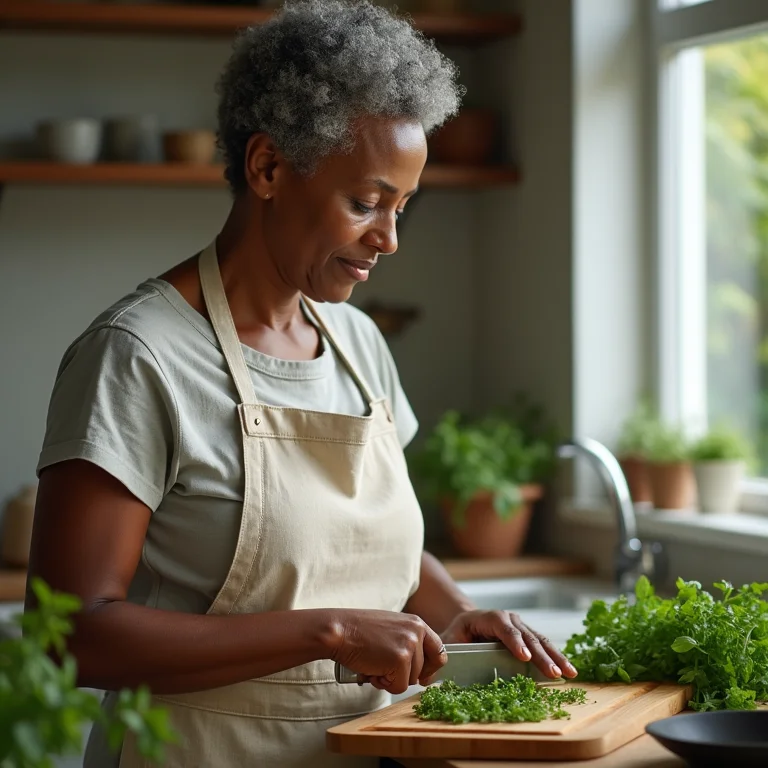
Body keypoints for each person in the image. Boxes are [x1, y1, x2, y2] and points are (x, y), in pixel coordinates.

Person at [27, 1, 577, 766]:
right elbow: (72, 636)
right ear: (268, 168)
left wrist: (458, 613)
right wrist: (335, 633)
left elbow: (368, 546)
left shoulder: (356, 340)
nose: (389, 239)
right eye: (366, 203)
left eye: (402, 208)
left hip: (362, 748)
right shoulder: (139, 354)